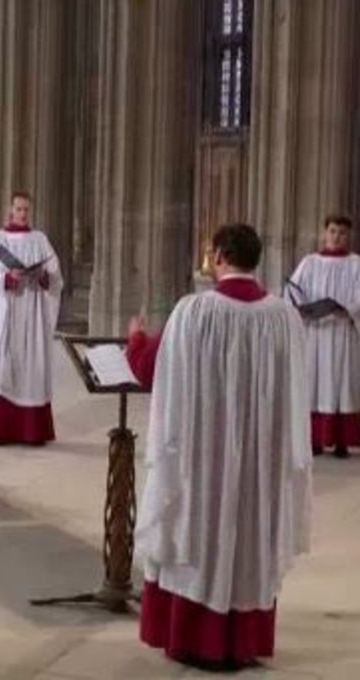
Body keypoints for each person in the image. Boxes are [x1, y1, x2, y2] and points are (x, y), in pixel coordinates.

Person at [125, 223, 312, 669]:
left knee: (198, 534)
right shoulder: (284, 317)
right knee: (247, 540)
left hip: (202, 458)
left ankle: (195, 637)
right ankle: (239, 640)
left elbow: (153, 371)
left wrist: (135, 339)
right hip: (258, 461)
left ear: (219, 256)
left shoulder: (193, 312)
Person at [0, 192, 63, 445]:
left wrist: (44, 276)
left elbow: (55, 276)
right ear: (10, 210)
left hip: (31, 312)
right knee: (1, 368)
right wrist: (6, 278)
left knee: (30, 367)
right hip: (5, 314)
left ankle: (30, 432)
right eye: (18, 209)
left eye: (26, 210)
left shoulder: (39, 240)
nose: (23, 214)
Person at [285, 214, 360, 458]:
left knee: (342, 383)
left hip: (341, 332)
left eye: (342, 233)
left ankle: (341, 441)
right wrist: (303, 307)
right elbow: (293, 291)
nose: (336, 236)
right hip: (315, 331)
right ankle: (315, 440)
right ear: (324, 233)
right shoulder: (309, 262)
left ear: (348, 236)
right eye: (332, 231)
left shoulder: (356, 263)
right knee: (314, 383)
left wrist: (347, 308)